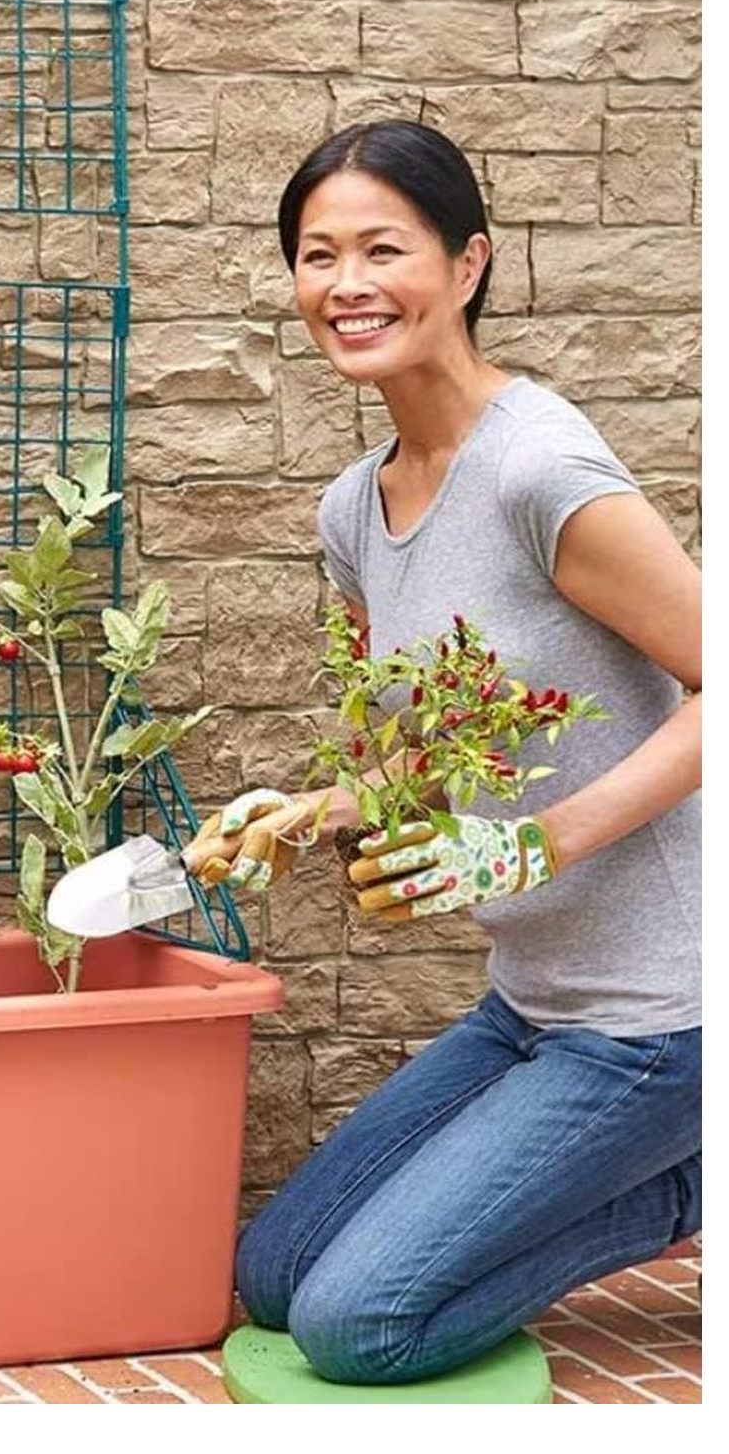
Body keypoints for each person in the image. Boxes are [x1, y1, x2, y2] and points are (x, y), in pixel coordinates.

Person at [181, 119, 701, 1386]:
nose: (346, 284)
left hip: (664, 1014)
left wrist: (530, 842)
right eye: (317, 255)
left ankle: (690, 1183)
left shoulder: (543, 470)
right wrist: (303, 808)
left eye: (382, 248)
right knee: (275, 1276)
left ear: (467, 265)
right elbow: (411, 762)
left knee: (365, 1325)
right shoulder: (356, 507)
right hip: (532, 1004)